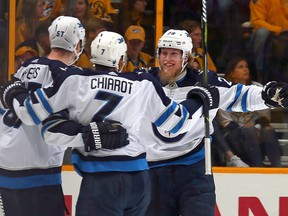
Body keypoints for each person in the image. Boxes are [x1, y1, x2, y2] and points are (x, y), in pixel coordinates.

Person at [0, 30, 218, 216]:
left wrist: (14, 93)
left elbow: (47, 126)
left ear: (90, 56)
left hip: (101, 180)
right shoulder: (143, 83)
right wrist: (198, 100)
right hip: (140, 181)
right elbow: (175, 123)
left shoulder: (74, 80)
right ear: (122, 61)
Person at [131, 29, 288, 216]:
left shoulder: (204, 81)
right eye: (163, 53)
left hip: (194, 172)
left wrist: (268, 96)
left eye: (174, 53)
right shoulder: (144, 80)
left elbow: (239, 95)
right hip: (153, 172)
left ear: (187, 57)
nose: (166, 59)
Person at [0, 16, 129, 216]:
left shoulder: (25, 67)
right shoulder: (69, 77)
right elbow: (51, 124)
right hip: (38, 171)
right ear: (78, 44)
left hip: (6, 168)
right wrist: (91, 134)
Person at [216, 56, 282, 167]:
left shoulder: (258, 88)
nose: (245, 69)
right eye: (240, 67)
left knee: (268, 131)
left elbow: (265, 118)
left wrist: (257, 128)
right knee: (249, 130)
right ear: (232, 73)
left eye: (246, 67)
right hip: (234, 135)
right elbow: (225, 123)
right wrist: (246, 128)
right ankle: (257, 166)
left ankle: (278, 168)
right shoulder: (225, 92)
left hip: (256, 130)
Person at [249, 0, 288, 83]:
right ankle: (259, 72)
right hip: (265, 34)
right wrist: (278, 30)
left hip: (284, 34)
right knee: (262, 32)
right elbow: (256, 21)